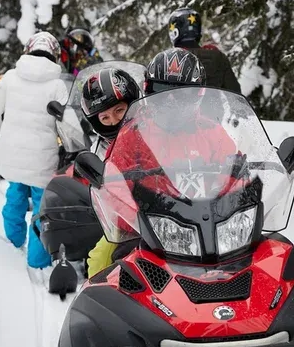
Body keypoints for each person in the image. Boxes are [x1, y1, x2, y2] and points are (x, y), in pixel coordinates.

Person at [86, 48, 235, 277]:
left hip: (210, 224)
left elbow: (234, 173)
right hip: (151, 228)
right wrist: (137, 217)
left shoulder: (212, 130)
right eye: (163, 92)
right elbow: (115, 184)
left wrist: (233, 204)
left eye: (182, 93)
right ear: (148, 90)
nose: (171, 101)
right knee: (101, 263)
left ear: (198, 94)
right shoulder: (134, 133)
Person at [0, 32, 70, 269]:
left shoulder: (10, 78)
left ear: (28, 50)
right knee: (42, 209)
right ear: (54, 55)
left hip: (11, 154)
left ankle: (13, 244)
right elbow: (67, 122)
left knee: (15, 194)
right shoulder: (57, 85)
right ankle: (38, 260)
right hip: (43, 158)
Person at [167, 8, 241, 94]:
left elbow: (156, 97)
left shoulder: (169, 60)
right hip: (213, 107)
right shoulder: (217, 57)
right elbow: (234, 93)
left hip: (180, 107)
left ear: (174, 32)